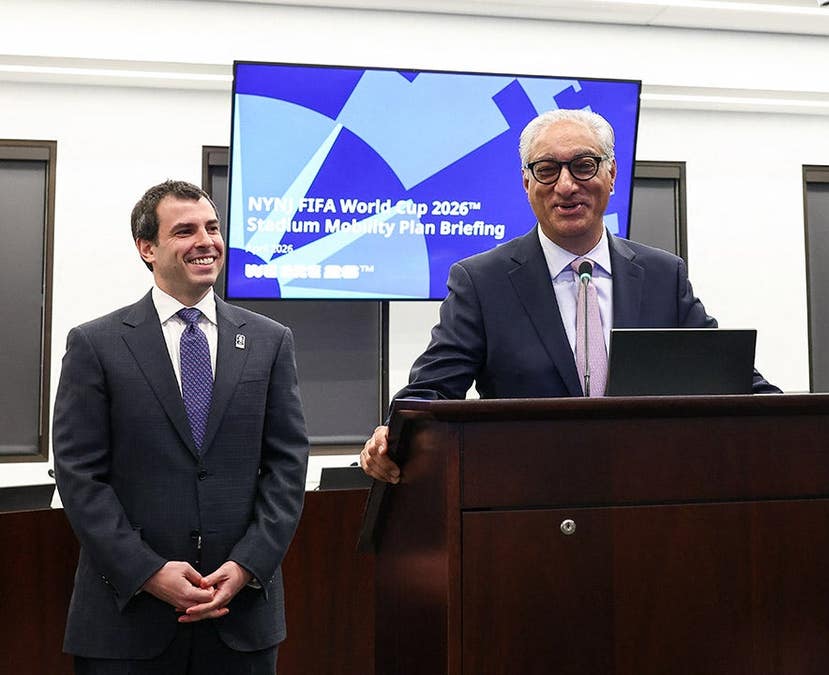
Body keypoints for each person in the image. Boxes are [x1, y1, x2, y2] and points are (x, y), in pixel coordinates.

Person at [360, 108, 778, 482]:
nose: (566, 186)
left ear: (611, 174)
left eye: (583, 166)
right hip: (528, 503)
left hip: (649, 495)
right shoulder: (482, 281)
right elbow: (431, 391)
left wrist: (795, 421)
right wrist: (391, 434)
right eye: (546, 169)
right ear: (527, 182)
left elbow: (729, 379)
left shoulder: (662, 274)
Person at [52, 180, 310, 673]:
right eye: (185, 231)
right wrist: (147, 571)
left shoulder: (269, 341)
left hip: (240, 615)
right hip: (126, 621)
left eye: (212, 228)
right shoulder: (96, 344)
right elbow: (79, 477)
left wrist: (248, 565)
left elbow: (287, 466)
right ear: (147, 248)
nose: (206, 242)